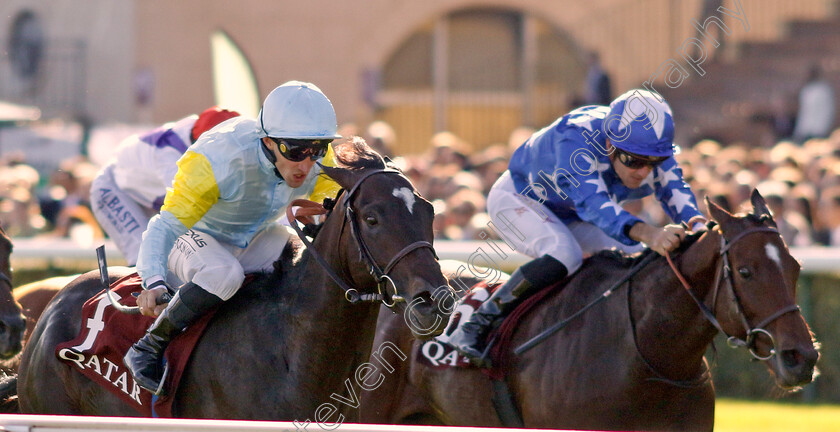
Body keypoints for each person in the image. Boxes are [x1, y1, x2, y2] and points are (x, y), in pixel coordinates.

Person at [448, 89, 707, 364]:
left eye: (653, 162)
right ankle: (476, 325)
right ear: (610, 144)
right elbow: (593, 204)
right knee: (564, 253)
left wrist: (700, 226)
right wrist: (651, 233)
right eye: (634, 160)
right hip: (518, 199)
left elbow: (674, 188)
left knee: (635, 254)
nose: (643, 171)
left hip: (570, 214)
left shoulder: (647, 146)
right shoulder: (575, 137)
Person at [124, 81, 343, 394]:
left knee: (301, 255)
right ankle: (148, 346)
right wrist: (154, 281)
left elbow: (328, 208)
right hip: (193, 235)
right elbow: (165, 225)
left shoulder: (318, 153)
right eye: (294, 151)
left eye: (316, 150)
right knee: (224, 273)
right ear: (268, 140)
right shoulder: (219, 157)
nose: (306, 164)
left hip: (254, 236)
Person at [90, 106, 240, 265]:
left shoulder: (198, 129)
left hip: (148, 191)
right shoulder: (169, 155)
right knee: (145, 256)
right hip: (113, 189)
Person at [793, 64, 836, 143]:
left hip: (819, 130)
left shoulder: (824, 90)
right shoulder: (806, 90)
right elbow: (804, 112)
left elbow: (828, 112)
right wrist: (799, 131)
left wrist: (824, 129)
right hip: (805, 130)